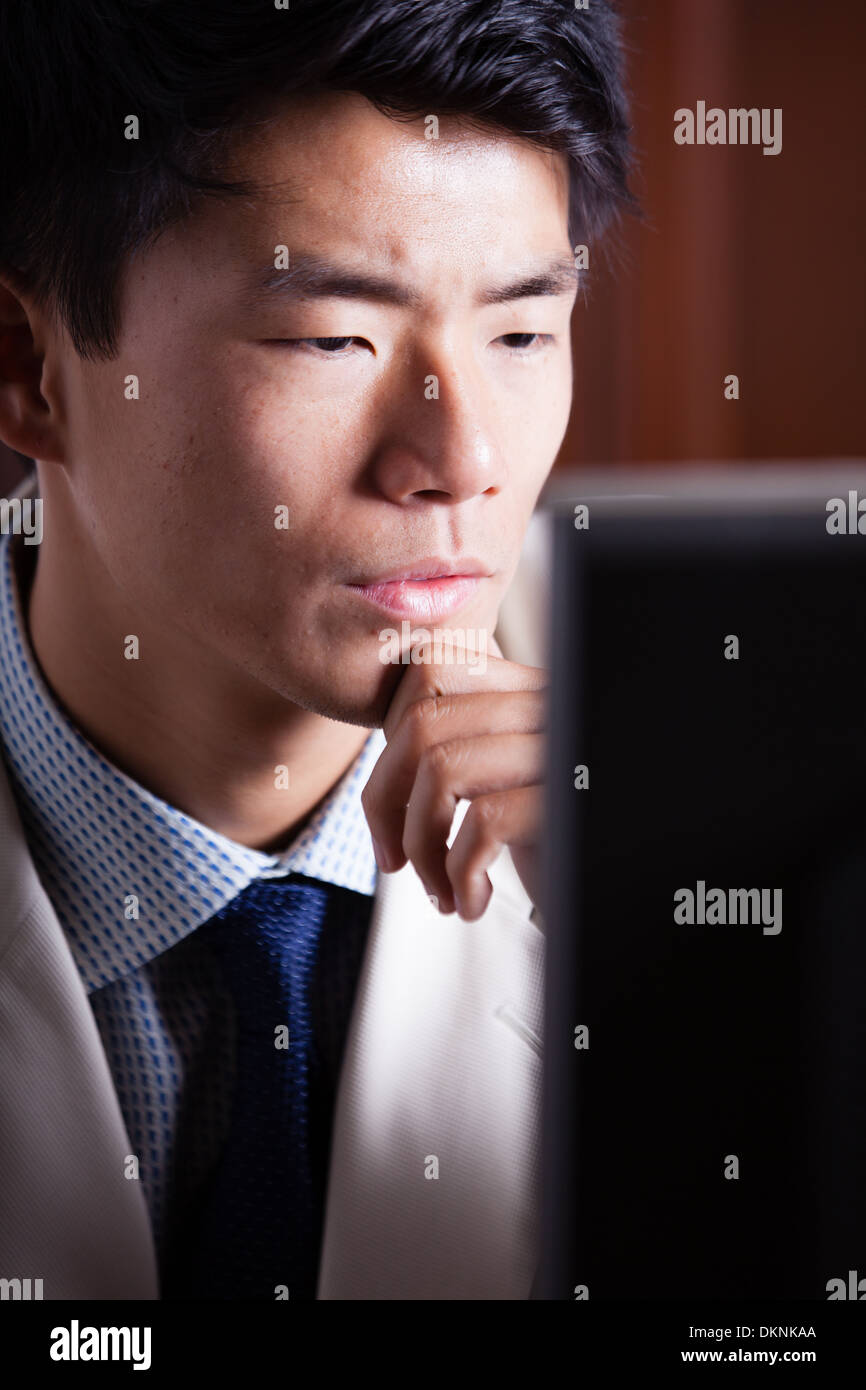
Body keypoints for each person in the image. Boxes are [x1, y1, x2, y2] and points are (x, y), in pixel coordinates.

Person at [0, 0, 635, 1300]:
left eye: (521, 332)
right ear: (29, 368)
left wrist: (660, 960)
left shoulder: (721, 851)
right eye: (329, 338)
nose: (461, 461)